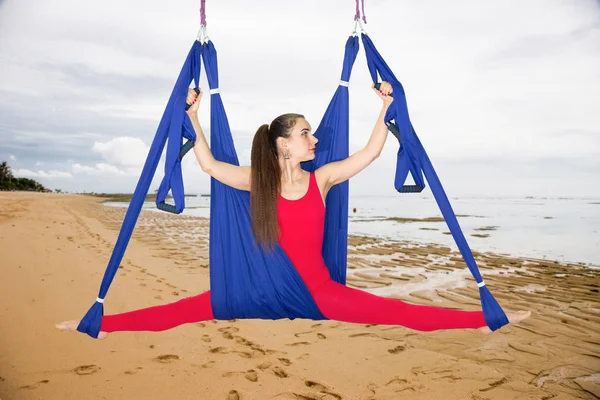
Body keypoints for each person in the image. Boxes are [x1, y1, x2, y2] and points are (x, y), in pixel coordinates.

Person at [57, 83, 530, 339]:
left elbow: (368, 154)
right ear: (284, 144)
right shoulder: (256, 179)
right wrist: (194, 116)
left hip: (317, 296)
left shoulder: (321, 179)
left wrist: (386, 111)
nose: (315, 139)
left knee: (397, 312)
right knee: (179, 311)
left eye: (312, 132)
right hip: (252, 292)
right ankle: (94, 322)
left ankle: (489, 317)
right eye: (306, 133)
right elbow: (206, 163)